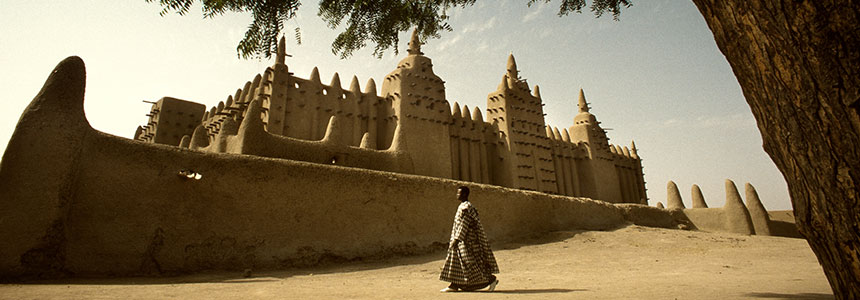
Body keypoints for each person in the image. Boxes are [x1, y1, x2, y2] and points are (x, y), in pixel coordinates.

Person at [439, 186, 500, 292]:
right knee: (457, 261)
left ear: (464, 194)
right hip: (461, 241)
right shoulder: (462, 206)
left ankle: (491, 279)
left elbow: (464, 224)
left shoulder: (466, 207)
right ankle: (454, 284)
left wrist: (457, 239)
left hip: (467, 242)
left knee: (470, 263)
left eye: (459, 193)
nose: (457, 195)